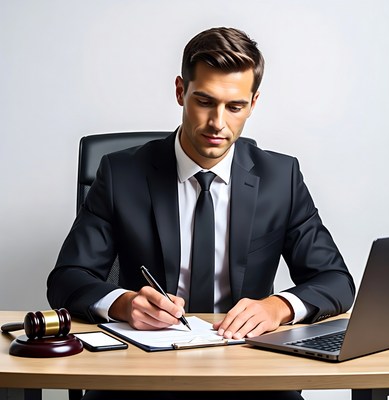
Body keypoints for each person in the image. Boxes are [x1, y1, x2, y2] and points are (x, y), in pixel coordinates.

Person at [47, 27, 355, 400]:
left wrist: (279, 307)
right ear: (181, 91)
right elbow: (66, 279)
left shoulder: (281, 178)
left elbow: (336, 281)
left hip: (251, 376)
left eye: (235, 107)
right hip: (140, 375)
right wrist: (125, 304)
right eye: (205, 101)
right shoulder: (120, 174)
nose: (218, 124)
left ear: (254, 104)